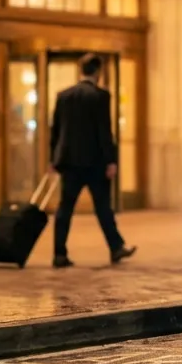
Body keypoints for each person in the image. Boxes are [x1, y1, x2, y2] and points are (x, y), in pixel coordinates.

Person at [50, 53, 136, 268]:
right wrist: (111, 161)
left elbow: (56, 131)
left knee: (65, 209)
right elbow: (104, 131)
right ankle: (116, 248)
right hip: (95, 163)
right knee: (103, 208)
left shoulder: (64, 95)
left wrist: (54, 159)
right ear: (98, 71)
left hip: (70, 163)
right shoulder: (100, 96)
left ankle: (59, 253)